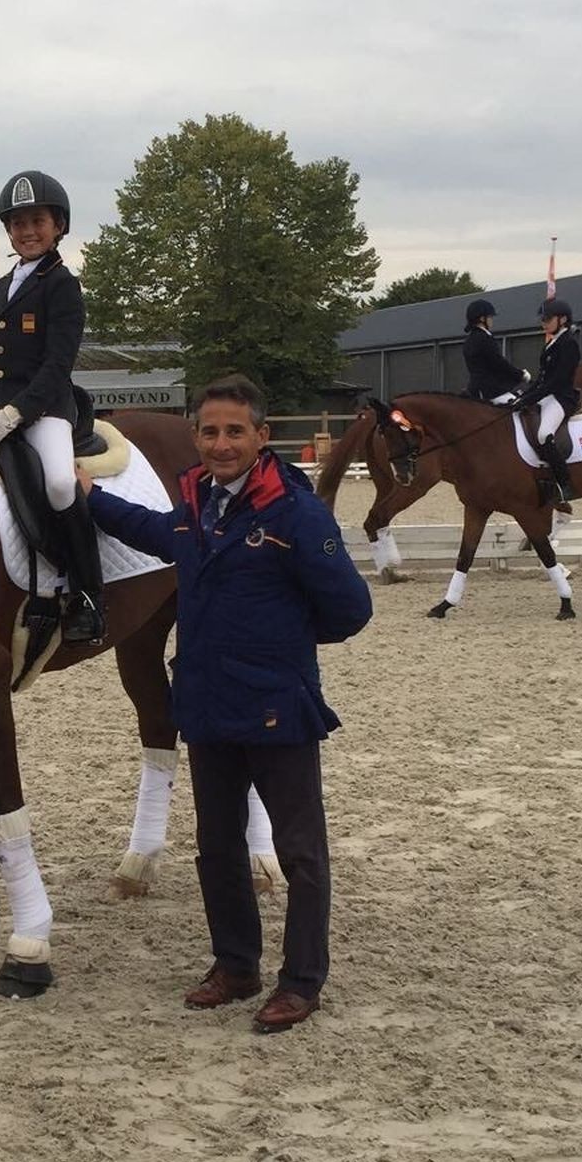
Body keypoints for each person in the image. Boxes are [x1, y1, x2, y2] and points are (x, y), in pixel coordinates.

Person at [79, 375, 373, 1032]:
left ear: (262, 437)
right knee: (216, 848)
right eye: (209, 431)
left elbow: (351, 608)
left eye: (234, 430)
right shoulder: (195, 504)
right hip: (207, 703)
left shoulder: (296, 513)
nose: (220, 443)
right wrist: (93, 498)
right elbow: (157, 535)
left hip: (276, 704)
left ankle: (301, 979)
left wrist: (279, 647)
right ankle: (236, 964)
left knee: (299, 852)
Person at [0, 170, 105, 643]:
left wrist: (17, 413)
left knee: (60, 483)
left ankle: (86, 596)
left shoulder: (62, 285)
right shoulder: (0, 288)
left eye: (37, 221)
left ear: (58, 225)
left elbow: (56, 366)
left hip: (45, 410)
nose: (27, 231)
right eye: (18, 224)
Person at [513, 298, 581, 509]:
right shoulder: (552, 342)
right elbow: (542, 379)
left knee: (544, 435)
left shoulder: (568, 343)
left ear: (562, 319)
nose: (543, 323)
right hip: (548, 395)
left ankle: (564, 483)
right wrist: (523, 396)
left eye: (547, 319)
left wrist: (530, 398)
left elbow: (557, 381)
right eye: (542, 319)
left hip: (562, 397)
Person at [461, 300, 526, 403]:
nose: (492, 320)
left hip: (474, 389)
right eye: (490, 317)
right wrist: (520, 374)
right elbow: (499, 363)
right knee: (521, 408)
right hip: (491, 391)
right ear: (482, 319)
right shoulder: (485, 338)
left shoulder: (469, 340)